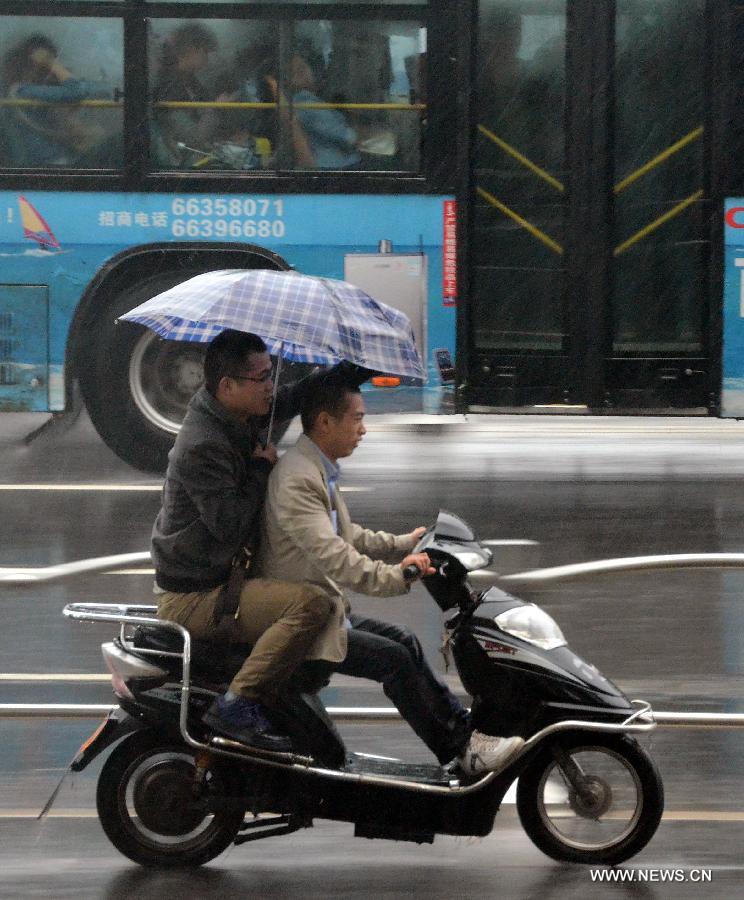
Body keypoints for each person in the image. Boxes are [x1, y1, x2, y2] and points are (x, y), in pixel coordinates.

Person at [257, 371, 525, 774]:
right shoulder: (298, 479)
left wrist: (403, 543)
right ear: (325, 422)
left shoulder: (314, 468)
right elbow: (337, 557)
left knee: (405, 640)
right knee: (394, 660)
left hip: (324, 611)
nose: (364, 430)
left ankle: (462, 735)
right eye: (357, 419)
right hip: (300, 627)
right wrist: (397, 576)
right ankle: (460, 748)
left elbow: (347, 536)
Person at [152, 330, 338, 752]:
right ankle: (237, 705)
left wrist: (349, 373)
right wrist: (261, 470)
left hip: (225, 575)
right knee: (309, 606)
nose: (271, 386)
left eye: (271, 374)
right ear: (227, 386)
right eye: (262, 378)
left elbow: (293, 396)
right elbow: (231, 525)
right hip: (197, 594)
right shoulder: (202, 444)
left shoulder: (236, 414)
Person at [2, 34, 113, 167]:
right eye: (46, 66)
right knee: (115, 144)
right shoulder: (23, 91)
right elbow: (75, 91)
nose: (51, 71)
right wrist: (52, 63)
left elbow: (105, 90)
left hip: (60, 160)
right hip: (48, 164)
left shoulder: (40, 90)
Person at [264, 51, 360, 170]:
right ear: (287, 81)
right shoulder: (306, 103)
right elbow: (348, 137)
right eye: (299, 71)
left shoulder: (296, 104)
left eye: (304, 68)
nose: (305, 73)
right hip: (337, 168)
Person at [151, 23, 218, 167]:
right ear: (191, 49)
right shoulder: (167, 87)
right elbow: (193, 138)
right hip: (175, 165)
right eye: (205, 52)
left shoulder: (192, 82)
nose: (208, 59)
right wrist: (216, 108)